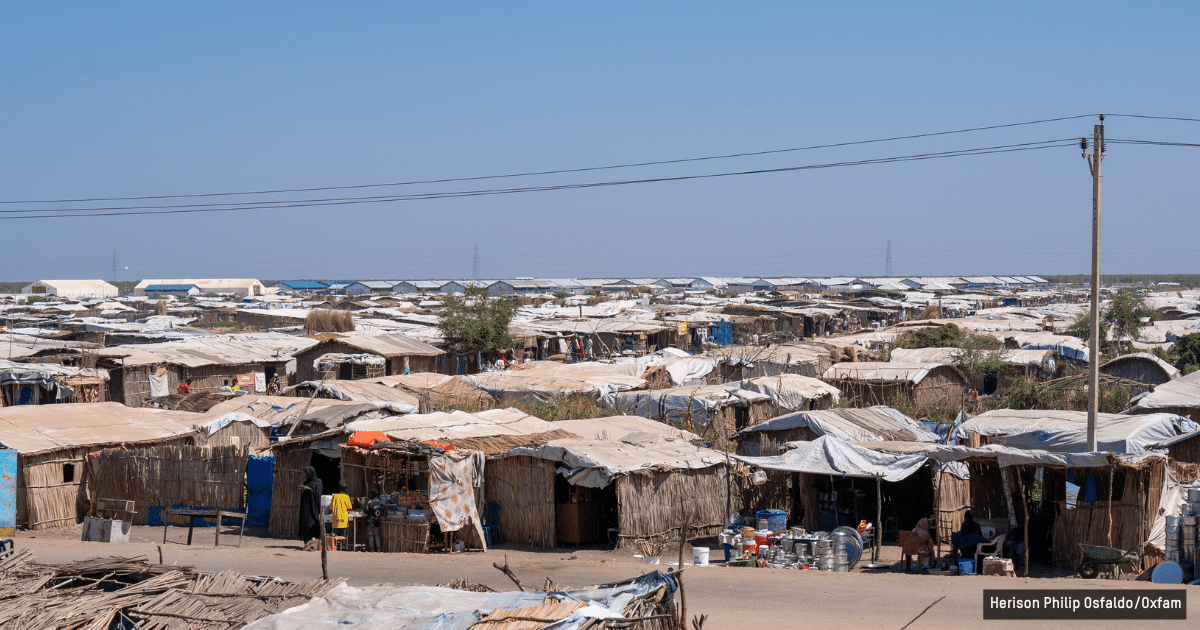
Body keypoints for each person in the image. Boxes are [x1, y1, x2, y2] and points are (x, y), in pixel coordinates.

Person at [297, 466, 323, 546]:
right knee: (305, 523)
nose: (306, 475)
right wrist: (303, 489)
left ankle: (313, 543)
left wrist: (309, 489)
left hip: (313, 507)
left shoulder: (318, 482)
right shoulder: (306, 482)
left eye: (307, 474)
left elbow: (318, 494)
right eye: (306, 474)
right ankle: (306, 543)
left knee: (312, 524)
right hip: (305, 507)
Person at [328, 482, 352, 549]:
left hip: (336, 518)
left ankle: (335, 546)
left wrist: (329, 511)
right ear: (345, 490)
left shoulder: (335, 496)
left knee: (335, 534)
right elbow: (349, 508)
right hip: (344, 519)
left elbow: (330, 508)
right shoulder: (346, 497)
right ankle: (343, 547)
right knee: (343, 534)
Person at [365, 488, 385, 552]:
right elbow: (382, 510)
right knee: (377, 535)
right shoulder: (380, 502)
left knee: (370, 535)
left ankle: (372, 550)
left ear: (372, 495)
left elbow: (367, 511)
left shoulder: (370, 502)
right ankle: (379, 550)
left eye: (370, 494)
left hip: (370, 522)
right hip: (377, 521)